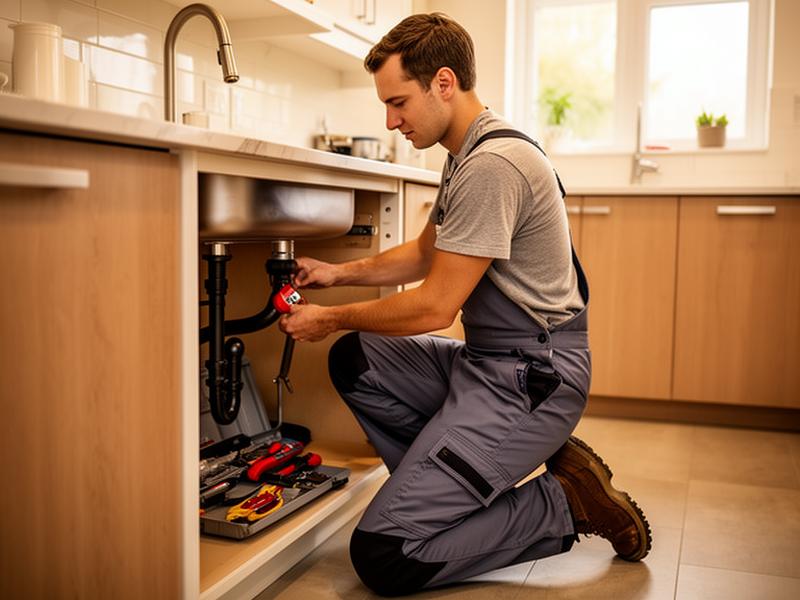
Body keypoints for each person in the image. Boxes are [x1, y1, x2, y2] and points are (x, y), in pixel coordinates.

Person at [279, 12, 651, 596]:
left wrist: (328, 317)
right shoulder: (465, 153)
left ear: (444, 83)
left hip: (534, 378)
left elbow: (434, 309)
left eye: (398, 102)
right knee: (357, 359)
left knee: (385, 555)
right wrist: (337, 273)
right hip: (489, 364)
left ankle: (562, 503)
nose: (391, 120)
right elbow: (425, 254)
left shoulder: (492, 165)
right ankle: (446, 493)